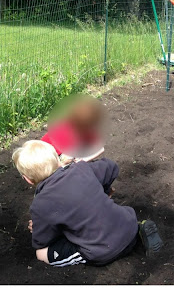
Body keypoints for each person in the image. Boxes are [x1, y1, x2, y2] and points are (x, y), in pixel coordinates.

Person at [13, 140, 163, 267]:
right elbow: (111, 167)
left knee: (41, 254)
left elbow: (42, 240)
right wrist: (104, 189)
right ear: (58, 160)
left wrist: (39, 227)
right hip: (128, 226)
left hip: (103, 250)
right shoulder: (81, 168)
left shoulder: (40, 204)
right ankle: (139, 227)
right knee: (96, 208)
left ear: (28, 179)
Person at [41, 94, 105, 164]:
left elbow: (100, 149)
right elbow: (42, 151)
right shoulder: (60, 131)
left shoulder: (88, 132)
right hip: (49, 158)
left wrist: (84, 159)